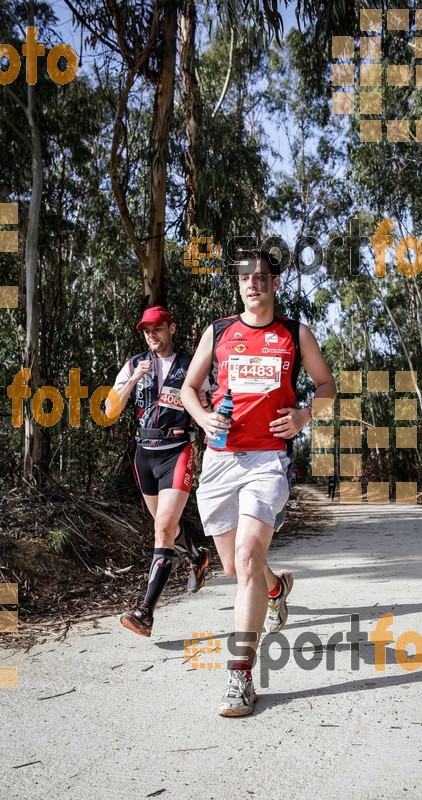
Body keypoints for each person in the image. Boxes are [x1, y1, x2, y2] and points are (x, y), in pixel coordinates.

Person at [181, 250, 336, 716]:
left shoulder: (294, 334)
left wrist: (306, 414)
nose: (253, 284)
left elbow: (326, 387)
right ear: (239, 285)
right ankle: (274, 588)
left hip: (268, 461)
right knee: (235, 569)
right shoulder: (219, 331)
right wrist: (204, 419)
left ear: (276, 283)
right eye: (246, 277)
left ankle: (241, 675)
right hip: (221, 462)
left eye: (262, 277)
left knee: (247, 557)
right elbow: (189, 387)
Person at [108, 306, 210, 637]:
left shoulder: (190, 365)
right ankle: (196, 556)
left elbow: (209, 404)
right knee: (164, 525)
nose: (152, 334)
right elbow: (110, 409)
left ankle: (145, 612)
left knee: (163, 529)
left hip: (177, 451)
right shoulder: (134, 364)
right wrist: (134, 379)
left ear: (171, 327)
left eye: (157, 328)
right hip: (144, 455)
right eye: (146, 330)